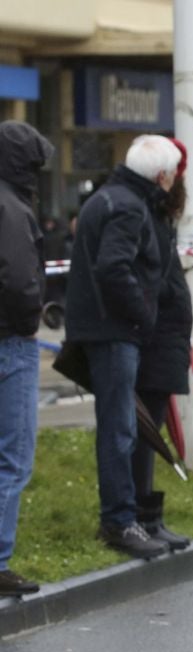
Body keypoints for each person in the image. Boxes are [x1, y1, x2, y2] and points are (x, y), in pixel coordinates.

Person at [65, 134, 180, 560]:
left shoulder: (108, 197)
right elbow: (114, 267)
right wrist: (143, 316)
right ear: (163, 176)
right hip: (114, 332)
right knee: (119, 429)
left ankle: (126, 516)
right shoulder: (130, 207)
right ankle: (119, 520)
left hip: (103, 327)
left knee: (121, 427)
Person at [131, 138, 193, 552]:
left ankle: (149, 516)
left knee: (147, 431)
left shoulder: (157, 215)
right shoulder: (144, 214)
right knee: (144, 432)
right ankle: (140, 515)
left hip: (163, 337)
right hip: (154, 338)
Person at [0, 120, 53, 599]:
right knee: (12, 458)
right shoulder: (13, 208)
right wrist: (28, 319)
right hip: (9, 340)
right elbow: (18, 280)